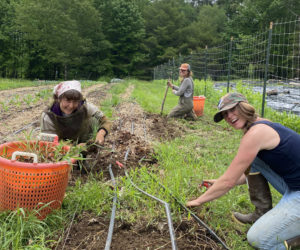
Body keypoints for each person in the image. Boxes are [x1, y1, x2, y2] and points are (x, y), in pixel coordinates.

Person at [186, 92, 300, 249]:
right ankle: (261, 212)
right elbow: (239, 175)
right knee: (255, 160)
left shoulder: (255, 134)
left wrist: (197, 201)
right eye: (224, 114)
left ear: (243, 106)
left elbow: (229, 181)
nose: (229, 116)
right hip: (293, 184)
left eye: (232, 110)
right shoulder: (261, 124)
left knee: (257, 239)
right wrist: (219, 182)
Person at [41, 80, 111, 145]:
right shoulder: (49, 116)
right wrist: (73, 148)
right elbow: (49, 144)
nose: (71, 106)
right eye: (68, 101)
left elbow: (105, 121)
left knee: (94, 120)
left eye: (75, 101)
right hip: (61, 147)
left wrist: (101, 134)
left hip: (81, 138)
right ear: (59, 99)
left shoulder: (84, 107)